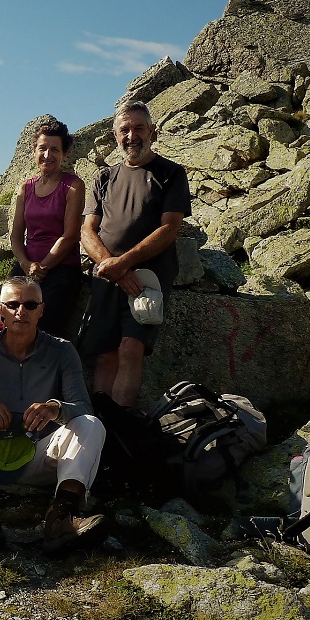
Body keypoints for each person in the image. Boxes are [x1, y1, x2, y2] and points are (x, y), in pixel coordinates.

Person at [0, 276, 106, 556]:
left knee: (90, 424)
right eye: (13, 305)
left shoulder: (63, 350)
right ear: (0, 310)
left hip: (43, 455)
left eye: (30, 305)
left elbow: (83, 408)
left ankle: (62, 516)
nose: (20, 311)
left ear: (42, 310)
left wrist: (55, 409)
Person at [78, 101, 192, 408]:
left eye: (139, 128)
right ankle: (101, 426)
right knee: (104, 354)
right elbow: (87, 230)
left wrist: (124, 264)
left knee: (131, 348)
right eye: (125, 130)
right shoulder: (104, 178)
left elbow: (169, 228)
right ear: (115, 135)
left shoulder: (171, 173)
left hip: (148, 278)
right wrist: (111, 266)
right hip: (106, 277)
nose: (132, 136)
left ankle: (121, 426)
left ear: (152, 131)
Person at [9, 118, 85, 339]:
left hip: (61, 268)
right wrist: (26, 264)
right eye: (42, 148)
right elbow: (16, 235)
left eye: (55, 150)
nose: (47, 155)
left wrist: (42, 267)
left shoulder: (73, 186)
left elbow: (70, 235)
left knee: (43, 326)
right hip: (27, 267)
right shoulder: (25, 188)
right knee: (8, 319)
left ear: (64, 154)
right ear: (34, 151)